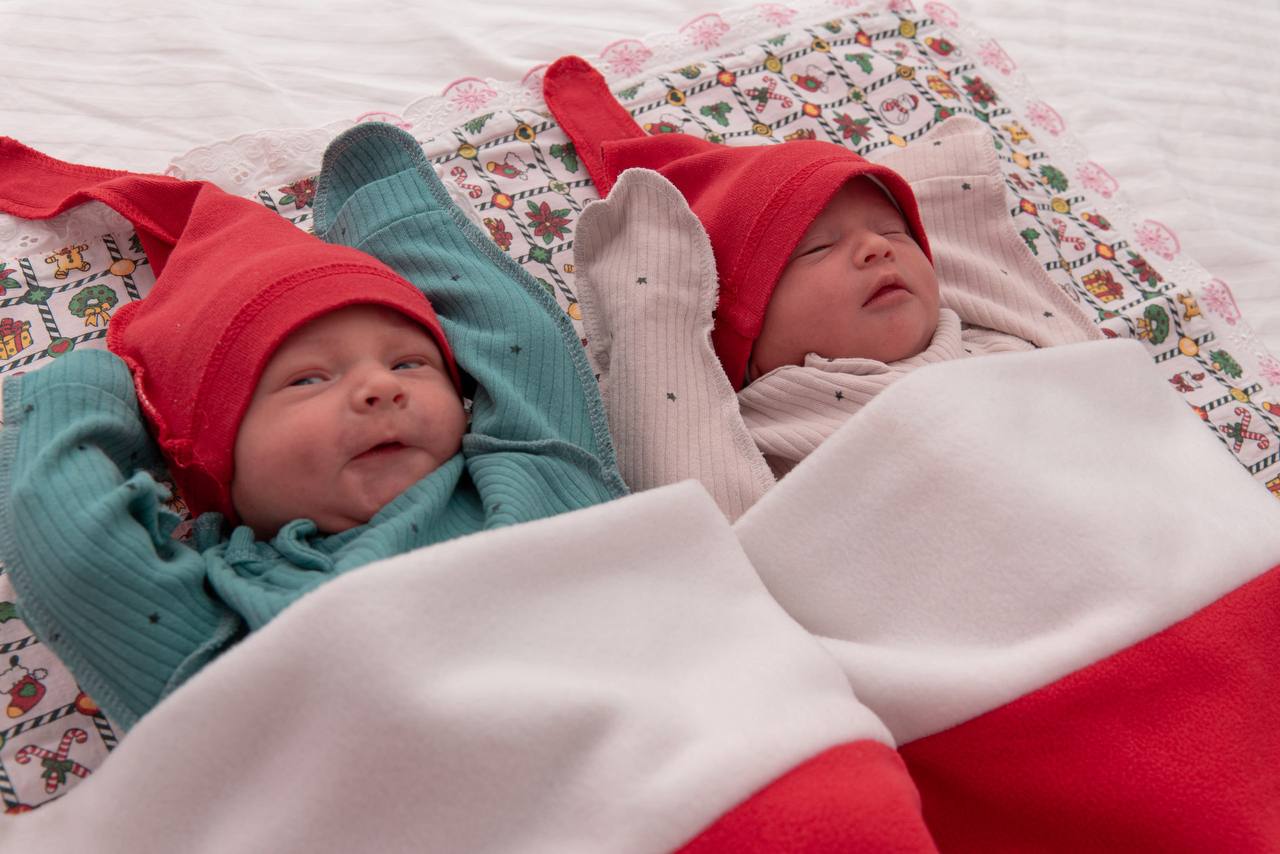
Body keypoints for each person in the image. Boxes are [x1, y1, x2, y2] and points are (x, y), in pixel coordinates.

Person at [0, 123, 627, 731]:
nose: (381, 387)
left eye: (409, 363)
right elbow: (74, 553)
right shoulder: (231, 614)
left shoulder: (532, 473)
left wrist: (389, 215)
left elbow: (523, 344)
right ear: (219, 457)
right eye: (308, 380)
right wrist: (83, 390)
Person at [544, 56, 1102, 518]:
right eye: (818, 248)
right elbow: (700, 505)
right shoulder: (755, 433)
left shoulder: (1006, 346)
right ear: (747, 334)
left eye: (894, 231)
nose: (876, 247)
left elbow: (1104, 419)